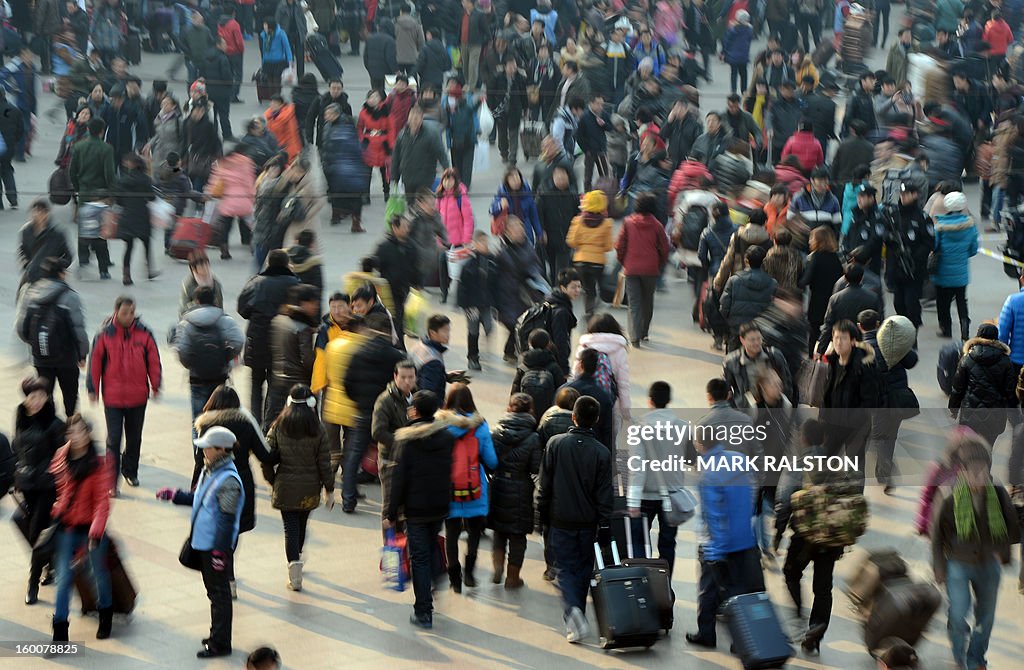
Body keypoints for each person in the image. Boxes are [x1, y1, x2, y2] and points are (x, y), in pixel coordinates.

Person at [155, 426, 243, 658]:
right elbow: (200, 498)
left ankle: (220, 643)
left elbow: (226, 520)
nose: (203, 450)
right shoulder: (212, 471)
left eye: (207, 447)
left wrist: (219, 553)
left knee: (219, 595)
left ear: (222, 449)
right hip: (205, 543)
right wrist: (176, 495)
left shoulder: (228, 480)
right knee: (214, 593)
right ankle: (217, 635)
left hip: (215, 547)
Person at [932, 439, 1019, 670]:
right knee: (959, 615)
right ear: (963, 471)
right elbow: (937, 535)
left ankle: (976, 659)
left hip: (989, 565)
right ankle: (959, 655)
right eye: (975, 471)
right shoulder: (949, 495)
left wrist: (1003, 550)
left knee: (986, 618)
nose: (981, 476)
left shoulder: (998, 493)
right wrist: (940, 567)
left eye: (985, 470)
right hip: (958, 565)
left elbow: (1013, 529)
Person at [685, 403, 764, 649]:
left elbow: (713, 517)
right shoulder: (739, 458)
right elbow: (753, 490)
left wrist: (715, 552)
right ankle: (741, 641)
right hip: (745, 539)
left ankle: (706, 634)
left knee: (708, 592)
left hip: (720, 545)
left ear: (699, 445)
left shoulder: (707, 475)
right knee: (739, 592)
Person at [537, 395, 613, 643]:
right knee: (582, 570)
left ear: (573, 416)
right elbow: (604, 494)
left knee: (565, 570)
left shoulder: (555, 444)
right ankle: (576, 617)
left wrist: (541, 514)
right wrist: (604, 525)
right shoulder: (602, 453)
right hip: (588, 523)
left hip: (560, 519)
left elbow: (545, 485)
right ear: (597, 420)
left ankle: (573, 613)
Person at [386, 390, 454, 628]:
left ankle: (423, 611)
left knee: (420, 558)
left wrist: (390, 513)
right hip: (440, 505)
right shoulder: (446, 437)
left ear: (414, 411)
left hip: (416, 509)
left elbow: (398, 480)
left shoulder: (407, 441)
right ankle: (437, 577)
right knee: (433, 542)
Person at [48, 414, 116, 643]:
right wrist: (57, 509)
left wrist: (95, 534)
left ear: (88, 433)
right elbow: (60, 492)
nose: (76, 436)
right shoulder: (61, 459)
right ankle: (60, 632)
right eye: (71, 432)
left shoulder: (100, 463)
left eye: (80, 431)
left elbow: (101, 503)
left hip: (91, 529)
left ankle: (105, 613)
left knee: (99, 573)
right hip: (67, 527)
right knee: (64, 577)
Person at [261, 384, 334, 591]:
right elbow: (324, 462)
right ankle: (298, 559)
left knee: (290, 529)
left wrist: (271, 479)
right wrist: (329, 488)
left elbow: (266, 456)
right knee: (302, 525)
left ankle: (294, 569)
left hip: (285, 486)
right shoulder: (317, 428)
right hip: (310, 488)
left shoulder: (279, 425)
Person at [87, 296, 162, 493]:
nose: (129, 317)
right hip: (113, 398)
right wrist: (92, 388)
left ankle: (131, 471)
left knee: (134, 437)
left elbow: (154, 360)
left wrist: (156, 385)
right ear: (116, 312)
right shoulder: (104, 334)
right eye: (124, 313)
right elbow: (94, 362)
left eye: (132, 312)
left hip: (138, 397)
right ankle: (111, 482)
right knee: (113, 440)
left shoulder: (145, 334)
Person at [436, 384, 497, 592]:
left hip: (447, 488)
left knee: (451, 533)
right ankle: (470, 573)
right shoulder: (480, 426)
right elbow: (492, 460)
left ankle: (455, 579)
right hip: (474, 488)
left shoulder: (440, 425)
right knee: (474, 532)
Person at [626, 381, 688, 576]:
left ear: (649, 401)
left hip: (645, 497)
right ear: (669, 400)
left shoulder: (639, 428)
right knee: (668, 544)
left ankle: (644, 585)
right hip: (672, 495)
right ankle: (664, 584)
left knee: (639, 542)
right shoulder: (683, 427)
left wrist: (633, 501)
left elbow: (638, 468)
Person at [15, 258, 89, 417]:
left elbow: (21, 329)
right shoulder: (70, 296)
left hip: (41, 357)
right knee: (70, 397)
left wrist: (36, 341)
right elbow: (79, 330)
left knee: (44, 396)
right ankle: (70, 430)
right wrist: (82, 354)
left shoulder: (30, 293)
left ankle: (49, 432)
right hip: (67, 358)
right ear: (61, 274)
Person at [13, 376, 65, 605]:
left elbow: (62, 459)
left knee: (37, 533)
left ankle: (33, 583)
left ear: (47, 398)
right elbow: (18, 450)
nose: (35, 401)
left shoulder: (55, 424)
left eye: (40, 396)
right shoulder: (22, 420)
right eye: (31, 397)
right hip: (27, 486)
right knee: (33, 530)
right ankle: (50, 564)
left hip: (47, 487)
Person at [237, 250, 300, 426]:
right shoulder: (295, 283)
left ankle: (255, 422)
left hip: (257, 341)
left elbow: (242, 309)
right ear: (286, 264)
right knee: (276, 385)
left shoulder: (256, 282)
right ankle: (269, 424)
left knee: (256, 384)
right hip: (282, 342)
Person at [168, 285, 245, 424]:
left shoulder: (186, 323)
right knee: (220, 419)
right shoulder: (224, 320)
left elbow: (181, 350)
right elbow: (239, 340)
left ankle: (200, 445)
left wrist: (191, 365)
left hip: (197, 378)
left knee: (198, 421)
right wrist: (226, 358)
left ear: (196, 301)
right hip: (219, 376)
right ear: (214, 300)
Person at [489, 393, 543, 588]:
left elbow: (489, 460)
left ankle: (497, 568)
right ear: (530, 411)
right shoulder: (534, 437)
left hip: (498, 484)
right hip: (521, 488)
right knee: (518, 536)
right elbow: (535, 467)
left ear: (509, 408)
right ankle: (512, 577)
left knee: (499, 532)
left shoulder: (496, 431)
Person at [820, 319, 880, 475]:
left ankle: (856, 498)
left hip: (856, 427)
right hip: (833, 424)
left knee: (855, 470)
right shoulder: (833, 362)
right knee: (825, 464)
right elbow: (828, 393)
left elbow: (870, 400)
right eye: (836, 338)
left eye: (843, 338)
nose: (838, 342)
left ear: (853, 341)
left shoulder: (863, 365)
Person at [949, 323, 1018, 447]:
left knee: (969, 450)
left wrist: (953, 409)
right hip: (994, 417)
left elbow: (957, 388)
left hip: (970, 415)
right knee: (987, 449)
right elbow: (1010, 391)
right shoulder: (1006, 362)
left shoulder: (967, 359)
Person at [617, 192, 670, 346]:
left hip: (631, 269)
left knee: (634, 303)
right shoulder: (657, 225)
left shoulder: (628, 223)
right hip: (651, 270)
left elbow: (619, 245)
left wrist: (624, 261)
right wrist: (658, 263)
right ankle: (644, 332)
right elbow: (664, 249)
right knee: (647, 301)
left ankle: (634, 336)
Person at [265, 284, 320, 429]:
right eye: (314, 302)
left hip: (278, 380)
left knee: (276, 423)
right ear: (304, 303)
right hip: (298, 383)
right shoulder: (303, 328)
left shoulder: (278, 320)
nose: (316, 306)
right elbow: (307, 360)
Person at [372, 360, 417, 531]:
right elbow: (377, 432)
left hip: (412, 461)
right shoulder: (385, 401)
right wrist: (402, 444)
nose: (407, 381)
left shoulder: (417, 397)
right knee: (390, 509)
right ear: (395, 377)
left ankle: (406, 553)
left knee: (407, 509)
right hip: (390, 460)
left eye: (411, 377)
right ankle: (391, 554)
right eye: (403, 377)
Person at [884, 182, 934, 333]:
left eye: (906, 194)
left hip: (913, 270)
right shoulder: (893, 215)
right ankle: (903, 332)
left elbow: (930, 242)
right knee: (899, 303)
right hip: (896, 267)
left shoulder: (922, 217)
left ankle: (912, 333)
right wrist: (891, 240)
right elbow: (885, 234)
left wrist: (914, 255)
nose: (903, 197)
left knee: (911, 304)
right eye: (902, 194)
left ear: (915, 195)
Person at [69, 118, 115, 279]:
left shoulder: (79, 146)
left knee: (83, 231)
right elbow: (110, 174)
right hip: (100, 196)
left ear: (88, 129)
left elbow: (72, 171)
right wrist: (112, 194)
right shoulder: (106, 149)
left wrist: (77, 187)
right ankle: (103, 269)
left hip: (84, 194)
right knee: (100, 232)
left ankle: (83, 262)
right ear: (102, 131)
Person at [932, 191, 980, 340]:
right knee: (961, 301)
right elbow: (973, 249)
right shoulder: (970, 226)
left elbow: (935, 247)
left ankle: (946, 328)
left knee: (943, 301)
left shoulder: (940, 226)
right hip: (961, 272)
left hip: (942, 271)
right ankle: (964, 331)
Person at [567, 190, 614, 323]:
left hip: (580, 261)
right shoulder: (606, 223)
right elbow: (608, 246)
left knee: (588, 289)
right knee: (597, 285)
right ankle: (596, 305)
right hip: (598, 262)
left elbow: (571, 241)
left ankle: (589, 310)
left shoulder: (578, 220)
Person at [723, 322, 794, 409]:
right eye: (752, 340)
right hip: (746, 409)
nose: (757, 343)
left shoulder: (775, 356)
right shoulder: (731, 362)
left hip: (773, 407)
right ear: (742, 340)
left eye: (759, 338)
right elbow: (726, 389)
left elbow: (787, 382)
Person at [816, 264, 883, 355]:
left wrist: (821, 350)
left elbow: (828, 325)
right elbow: (880, 323)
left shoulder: (835, 299)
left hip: (842, 343)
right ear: (862, 277)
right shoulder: (872, 298)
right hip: (864, 344)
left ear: (845, 278)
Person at [456, 231, 498, 371]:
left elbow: (496, 283)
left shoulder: (492, 260)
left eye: (486, 242)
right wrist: (465, 305)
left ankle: (484, 350)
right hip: (472, 305)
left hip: (486, 303)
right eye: (481, 242)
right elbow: (462, 287)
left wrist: (496, 303)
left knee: (489, 327)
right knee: (473, 330)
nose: (485, 245)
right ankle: (473, 357)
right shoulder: (469, 264)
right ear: (474, 244)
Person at [720, 246, 778, 348]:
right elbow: (774, 308)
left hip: (737, 328)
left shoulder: (734, 280)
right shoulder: (772, 283)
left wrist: (730, 321)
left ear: (746, 260)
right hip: (761, 328)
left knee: (734, 359)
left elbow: (724, 306)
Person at [113, 153, 155, 286]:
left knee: (129, 247)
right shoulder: (146, 180)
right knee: (146, 244)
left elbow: (118, 201)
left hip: (128, 215)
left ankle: (126, 275)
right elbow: (151, 197)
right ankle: (149, 270)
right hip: (142, 214)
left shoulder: (122, 180)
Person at [562, 348, 616, 450]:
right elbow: (608, 432)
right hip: (595, 449)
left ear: (581, 364)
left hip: (567, 448)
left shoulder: (565, 391)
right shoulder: (604, 396)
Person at [391, 105, 450, 196]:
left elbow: (441, 153)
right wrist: (394, 177)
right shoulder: (402, 135)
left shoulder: (431, 135)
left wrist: (447, 170)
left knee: (422, 206)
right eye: (412, 117)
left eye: (417, 117)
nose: (414, 120)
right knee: (410, 204)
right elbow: (396, 157)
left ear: (421, 119)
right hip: (408, 177)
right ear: (408, 118)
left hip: (425, 178)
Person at [18, 200, 72, 288]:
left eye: (40, 212)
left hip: (52, 278)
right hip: (31, 276)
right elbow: (23, 251)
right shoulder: (26, 231)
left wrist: (57, 263)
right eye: (35, 211)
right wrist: (26, 264)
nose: (36, 215)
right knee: (23, 299)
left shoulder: (57, 233)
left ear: (47, 213)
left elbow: (68, 257)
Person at [357, 90, 393, 202]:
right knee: (366, 172)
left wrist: (390, 144)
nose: (373, 99)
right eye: (370, 97)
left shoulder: (386, 112)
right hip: (369, 144)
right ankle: (365, 194)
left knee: (384, 171)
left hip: (383, 143)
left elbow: (391, 129)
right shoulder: (363, 112)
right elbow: (359, 127)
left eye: (375, 97)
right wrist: (362, 140)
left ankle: (386, 193)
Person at [410, 314, 457, 400]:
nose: (448, 335)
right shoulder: (433, 361)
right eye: (444, 331)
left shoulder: (420, 345)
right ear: (432, 332)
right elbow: (427, 394)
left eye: (448, 331)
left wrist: (444, 376)